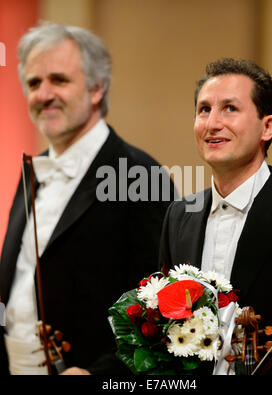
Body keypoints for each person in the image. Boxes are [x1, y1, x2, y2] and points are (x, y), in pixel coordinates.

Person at [0, 23, 176, 375]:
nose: (43, 94)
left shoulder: (141, 175)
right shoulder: (31, 172)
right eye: (34, 83)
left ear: (97, 89)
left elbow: (162, 308)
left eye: (59, 80)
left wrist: (102, 375)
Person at [159, 58, 272, 375]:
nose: (211, 123)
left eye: (229, 109)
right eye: (204, 109)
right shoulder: (178, 216)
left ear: (268, 126)